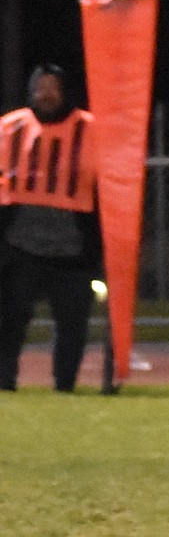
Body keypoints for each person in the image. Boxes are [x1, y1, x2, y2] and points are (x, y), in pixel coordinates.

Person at [0, 63, 102, 392]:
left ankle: (65, 386)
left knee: (72, 324)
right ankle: (4, 384)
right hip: (19, 246)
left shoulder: (90, 129)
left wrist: (97, 248)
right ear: (30, 90)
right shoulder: (9, 127)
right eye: (40, 85)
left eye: (53, 85)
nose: (46, 92)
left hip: (73, 251)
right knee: (9, 321)